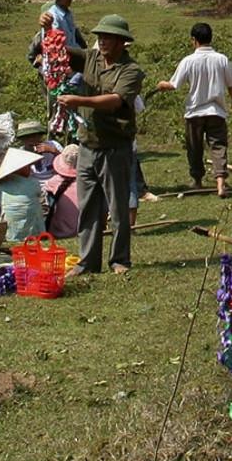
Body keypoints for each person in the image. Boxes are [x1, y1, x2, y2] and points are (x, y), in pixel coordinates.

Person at [56, 14, 145, 276]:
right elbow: (57, 51)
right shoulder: (91, 58)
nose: (102, 41)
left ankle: (120, 259)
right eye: (100, 37)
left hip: (114, 147)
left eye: (108, 37)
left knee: (118, 207)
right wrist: (46, 31)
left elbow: (115, 100)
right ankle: (87, 262)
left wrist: (78, 101)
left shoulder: (131, 71)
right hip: (87, 145)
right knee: (88, 207)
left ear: (122, 42)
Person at [156, 22, 232, 198]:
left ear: (193, 40)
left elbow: (174, 84)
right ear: (211, 38)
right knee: (218, 146)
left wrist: (163, 84)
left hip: (194, 111)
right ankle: (220, 183)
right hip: (216, 110)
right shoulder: (221, 59)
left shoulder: (188, 61)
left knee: (194, 148)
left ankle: (197, 181)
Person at [0, 147, 47, 244]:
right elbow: (39, 193)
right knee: (36, 207)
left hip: (9, 225)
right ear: (18, 169)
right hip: (31, 226)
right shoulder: (33, 183)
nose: (30, 169)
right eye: (28, 167)